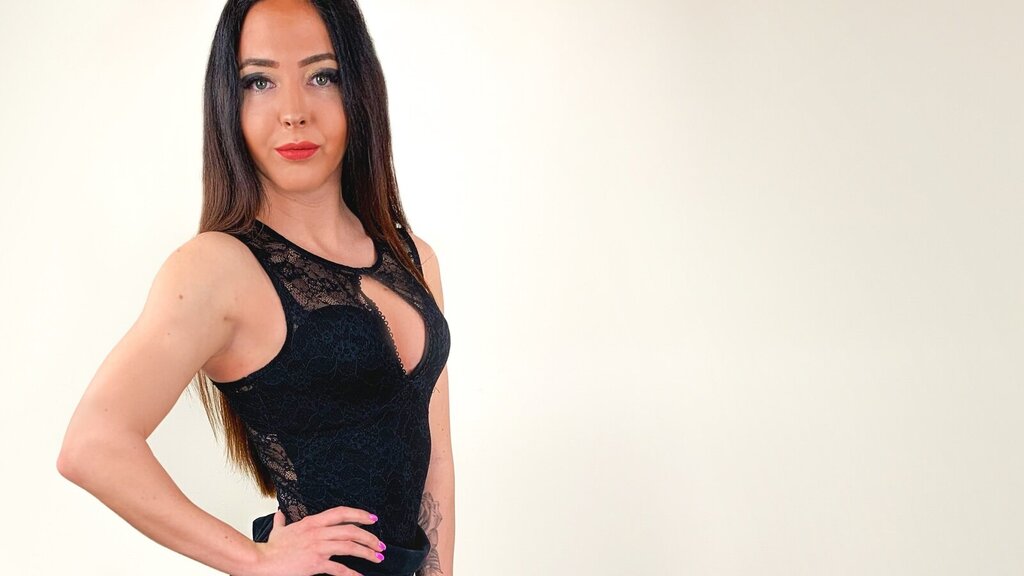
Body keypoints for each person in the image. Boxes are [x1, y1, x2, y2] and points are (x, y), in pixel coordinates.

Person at [55, 1, 454, 575]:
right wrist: (253, 559)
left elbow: (436, 462)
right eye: (259, 82)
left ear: (358, 88)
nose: (293, 113)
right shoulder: (216, 268)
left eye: (322, 76)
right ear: (229, 102)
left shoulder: (413, 258)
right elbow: (92, 445)